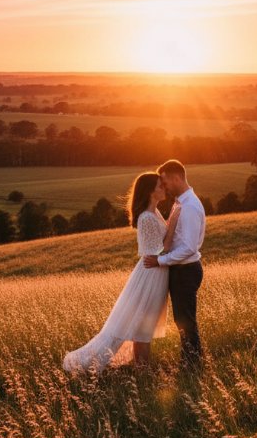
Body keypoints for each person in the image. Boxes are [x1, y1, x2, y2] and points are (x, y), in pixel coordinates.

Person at [63, 172, 181, 373]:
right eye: (160, 186)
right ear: (151, 191)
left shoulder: (155, 213)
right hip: (151, 275)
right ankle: (141, 371)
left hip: (157, 273)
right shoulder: (146, 217)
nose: (164, 189)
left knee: (144, 326)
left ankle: (142, 370)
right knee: (141, 327)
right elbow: (162, 251)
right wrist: (175, 219)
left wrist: (169, 220)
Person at [143, 159, 206, 368]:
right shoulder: (182, 203)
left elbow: (188, 247)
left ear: (176, 177)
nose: (164, 187)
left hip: (186, 270)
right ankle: (191, 361)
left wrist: (160, 261)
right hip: (181, 270)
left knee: (185, 321)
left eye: (165, 182)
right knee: (183, 320)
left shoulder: (188, 207)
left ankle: (192, 365)